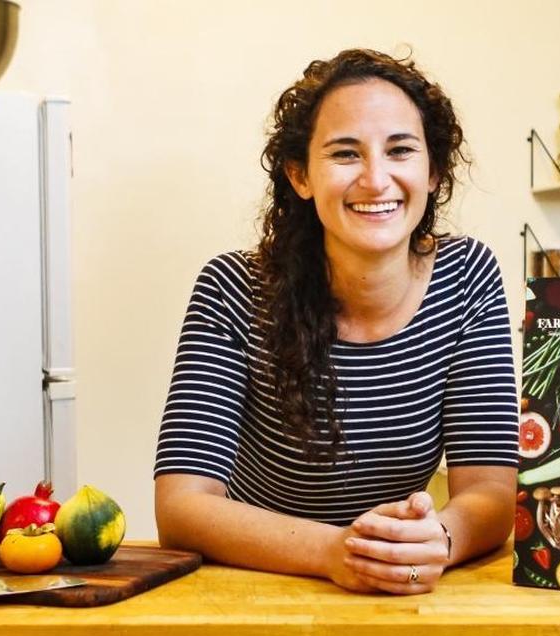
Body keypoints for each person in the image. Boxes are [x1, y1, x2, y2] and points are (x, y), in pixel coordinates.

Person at [153, 48, 518, 594]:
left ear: (433, 170)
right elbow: (181, 506)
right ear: (300, 175)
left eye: (400, 150)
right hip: (255, 589)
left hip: (395, 596)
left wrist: (435, 540)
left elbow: (490, 489)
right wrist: (336, 552)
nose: (376, 179)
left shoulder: (468, 276)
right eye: (345, 154)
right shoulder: (231, 289)